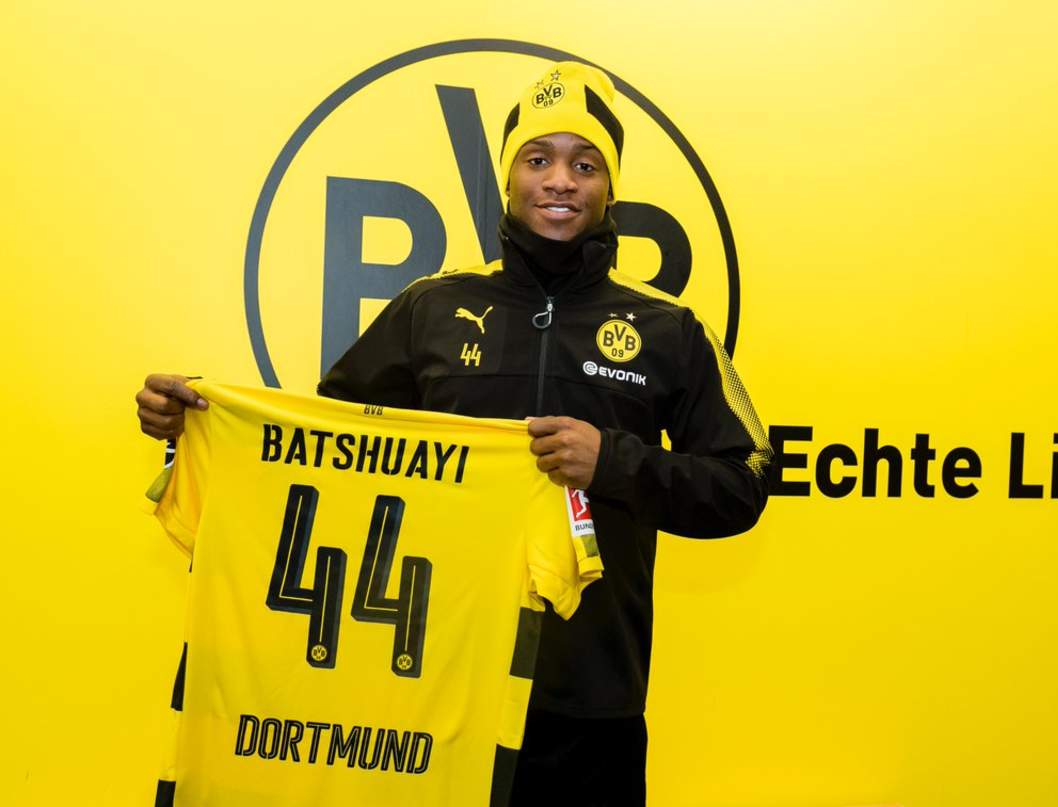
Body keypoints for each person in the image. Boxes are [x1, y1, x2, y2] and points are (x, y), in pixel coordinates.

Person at [136, 61, 771, 806]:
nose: (560, 181)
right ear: (507, 178)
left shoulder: (669, 328)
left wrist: (615, 462)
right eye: (538, 159)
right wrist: (198, 426)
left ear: (611, 188)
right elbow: (323, 457)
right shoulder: (431, 307)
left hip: (589, 706)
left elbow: (744, 481)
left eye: (585, 164)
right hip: (430, 696)